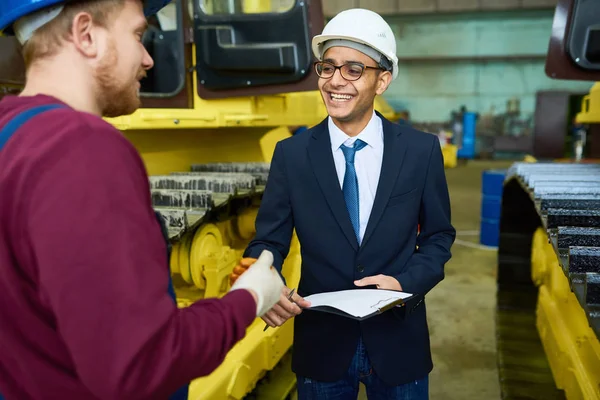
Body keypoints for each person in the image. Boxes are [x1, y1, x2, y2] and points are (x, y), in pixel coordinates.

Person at [0, 1, 285, 399]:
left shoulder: (10, 131)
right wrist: (251, 297)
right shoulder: (82, 148)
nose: (148, 58)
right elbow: (142, 365)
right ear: (86, 34)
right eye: (137, 34)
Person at [231, 8, 456, 400]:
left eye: (353, 69)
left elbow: (438, 237)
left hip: (398, 341)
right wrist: (266, 285)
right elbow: (269, 240)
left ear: (382, 80)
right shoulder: (292, 155)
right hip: (322, 345)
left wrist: (404, 284)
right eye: (327, 67)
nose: (336, 81)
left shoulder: (420, 152)